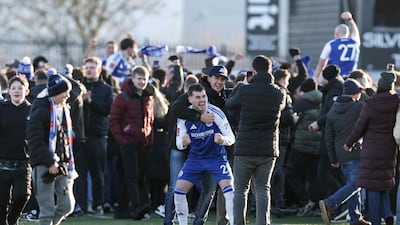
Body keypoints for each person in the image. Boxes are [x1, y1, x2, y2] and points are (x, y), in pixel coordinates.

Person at [225, 55, 286, 225]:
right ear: (270, 70)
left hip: (245, 146)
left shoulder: (245, 90)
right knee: (262, 189)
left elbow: (230, 104)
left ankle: (238, 222)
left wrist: (240, 87)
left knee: (240, 190)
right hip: (268, 148)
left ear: (253, 70)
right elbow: (282, 108)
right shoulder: (279, 92)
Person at [174, 83, 235, 225]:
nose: (202, 100)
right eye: (198, 97)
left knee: (230, 191)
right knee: (178, 191)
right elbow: (179, 144)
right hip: (195, 160)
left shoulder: (216, 113)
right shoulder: (184, 116)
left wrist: (222, 140)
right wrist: (184, 142)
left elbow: (231, 138)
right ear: (190, 99)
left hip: (217, 159)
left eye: (204, 96)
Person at [344, 72, 399, 225]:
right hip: (390, 148)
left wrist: (349, 143)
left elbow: (359, 127)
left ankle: (375, 220)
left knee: (372, 186)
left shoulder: (371, 103)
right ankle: (387, 213)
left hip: (371, 149)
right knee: (384, 183)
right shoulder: (397, 102)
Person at [27, 73, 77, 225]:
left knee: (67, 205)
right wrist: (50, 162)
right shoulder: (40, 110)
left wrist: (65, 161)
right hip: (44, 164)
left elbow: (64, 140)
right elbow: (35, 142)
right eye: (65, 91)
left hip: (61, 164)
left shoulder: (63, 109)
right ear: (55, 92)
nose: (68, 95)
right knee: (47, 209)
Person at [319, 78, 371, 225]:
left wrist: (332, 158)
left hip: (340, 155)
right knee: (357, 183)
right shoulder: (360, 107)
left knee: (352, 185)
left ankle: (355, 217)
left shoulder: (332, 110)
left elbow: (328, 137)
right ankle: (330, 203)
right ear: (355, 93)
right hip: (356, 151)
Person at [109, 65, 154, 220]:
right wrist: (122, 140)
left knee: (138, 176)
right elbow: (113, 120)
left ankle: (122, 209)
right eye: (139, 79)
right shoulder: (123, 97)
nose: (142, 82)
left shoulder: (148, 97)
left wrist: (150, 139)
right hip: (128, 143)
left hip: (143, 143)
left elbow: (150, 120)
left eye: (144, 79)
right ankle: (137, 207)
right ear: (132, 79)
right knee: (132, 176)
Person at [75, 57, 113, 216]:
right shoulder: (77, 87)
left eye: (92, 67)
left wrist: (91, 101)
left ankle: (98, 205)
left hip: (98, 136)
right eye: (87, 67)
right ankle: (82, 207)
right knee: (80, 174)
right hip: (80, 136)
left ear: (99, 70)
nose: (89, 70)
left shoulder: (106, 89)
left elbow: (107, 110)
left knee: (98, 173)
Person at [308, 65, 344, 200]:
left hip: (331, 137)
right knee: (336, 174)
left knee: (323, 173)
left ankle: (342, 199)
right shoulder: (334, 88)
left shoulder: (334, 90)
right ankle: (343, 203)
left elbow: (331, 112)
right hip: (332, 136)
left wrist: (318, 122)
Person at [0, 76, 32, 225]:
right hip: (2, 161)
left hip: (23, 162)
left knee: (22, 194)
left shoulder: (32, 110)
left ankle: (12, 219)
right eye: (13, 88)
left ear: (26, 91)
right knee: (1, 201)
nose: (16, 91)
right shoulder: (2, 108)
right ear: (9, 91)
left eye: (20, 88)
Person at [314, 11, 360, 82]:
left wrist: (315, 77)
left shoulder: (331, 44)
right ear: (347, 34)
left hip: (336, 79)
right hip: (352, 78)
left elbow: (321, 64)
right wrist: (350, 19)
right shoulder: (355, 42)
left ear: (337, 33)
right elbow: (355, 32)